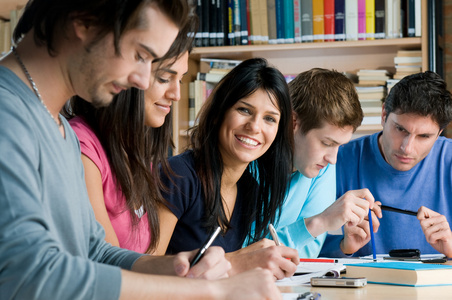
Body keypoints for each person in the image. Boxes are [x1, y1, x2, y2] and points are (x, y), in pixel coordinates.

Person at [0, 1, 282, 299]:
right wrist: (208, 291)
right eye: (140, 55)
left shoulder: (58, 128)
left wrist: (176, 266)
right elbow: (27, 273)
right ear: (83, 19)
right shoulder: (8, 116)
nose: (142, 80)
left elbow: (95, 251)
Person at [155, 58, 300, 278]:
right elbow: (143, 270)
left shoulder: (249, 189)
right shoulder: (177, 176)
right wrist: (237, 263)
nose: (254, 127)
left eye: (270, 118)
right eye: (244, 110)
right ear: (218, 114)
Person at [64, 18, 196, 254]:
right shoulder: (81, 146)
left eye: (181, 79)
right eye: (165, 78)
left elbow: (148, 261)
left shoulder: (143, 155)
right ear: (132, 74)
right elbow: (107, 263)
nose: (176, 94)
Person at [320, 71, 452, 258]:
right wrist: (343, 247)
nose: (407, 148)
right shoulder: (336, 160)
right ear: (384, 115)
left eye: (424, 136)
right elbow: (301, 245)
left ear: (439, 133)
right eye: (400, 129)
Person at [266, 68, 377, 259]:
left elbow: (308, 253)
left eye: (338, 146)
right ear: (293, 122)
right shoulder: (250, 160)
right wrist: (320, 221)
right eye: (327, 143)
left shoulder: (322, 166)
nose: (332, 159)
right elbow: (239, 254)